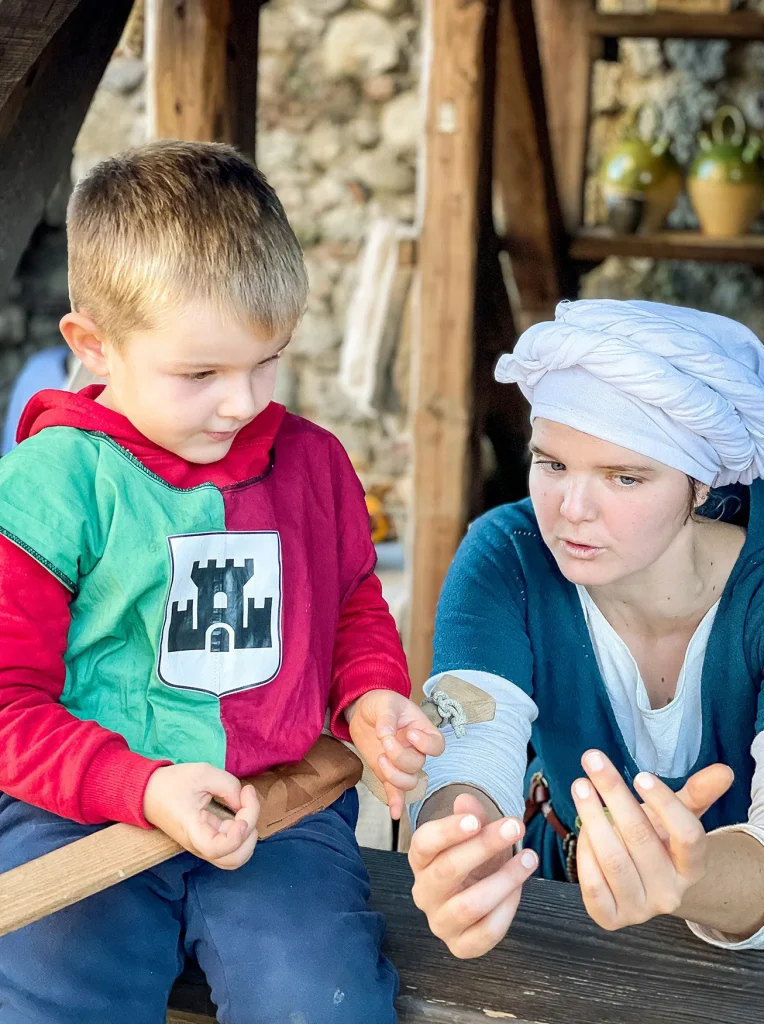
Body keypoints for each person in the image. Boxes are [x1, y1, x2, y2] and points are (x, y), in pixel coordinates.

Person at [0, 140, 443, 1023]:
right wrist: (141, 785)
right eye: (200, 374)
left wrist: (368, 693)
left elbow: (352, 595)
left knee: (319, 1000)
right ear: (95, 346)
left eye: (266, 360)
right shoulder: (49, 488)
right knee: (52, 1000)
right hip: (78, 814)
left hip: (278, 806)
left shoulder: (312, 463)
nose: (243, 402)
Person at [408, 298, 764, 958]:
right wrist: (462, 853)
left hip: (759, 936)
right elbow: (470, 755)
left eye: (624, 477)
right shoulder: (503, 557)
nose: (571, 511)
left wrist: (685, 874)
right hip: (549, 904)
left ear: (700, 485)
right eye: (551, 464)